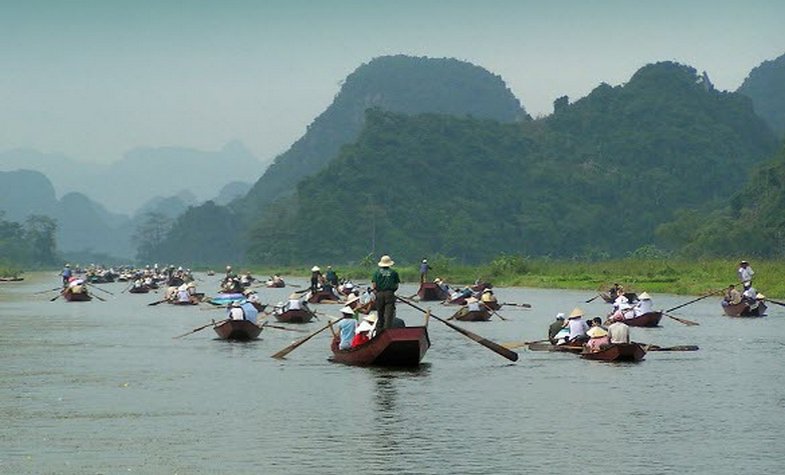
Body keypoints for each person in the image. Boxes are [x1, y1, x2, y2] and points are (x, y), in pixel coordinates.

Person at [371, 255, 400, 335]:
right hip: (390, 294)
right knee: (389, 315)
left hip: (379, 294)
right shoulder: (394, 273)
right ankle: (387, 333)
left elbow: (374, 285)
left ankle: (379, 333)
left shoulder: (376, 273)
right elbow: (396, 285)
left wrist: (377, 291)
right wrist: (392, 291)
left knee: (380, 314)